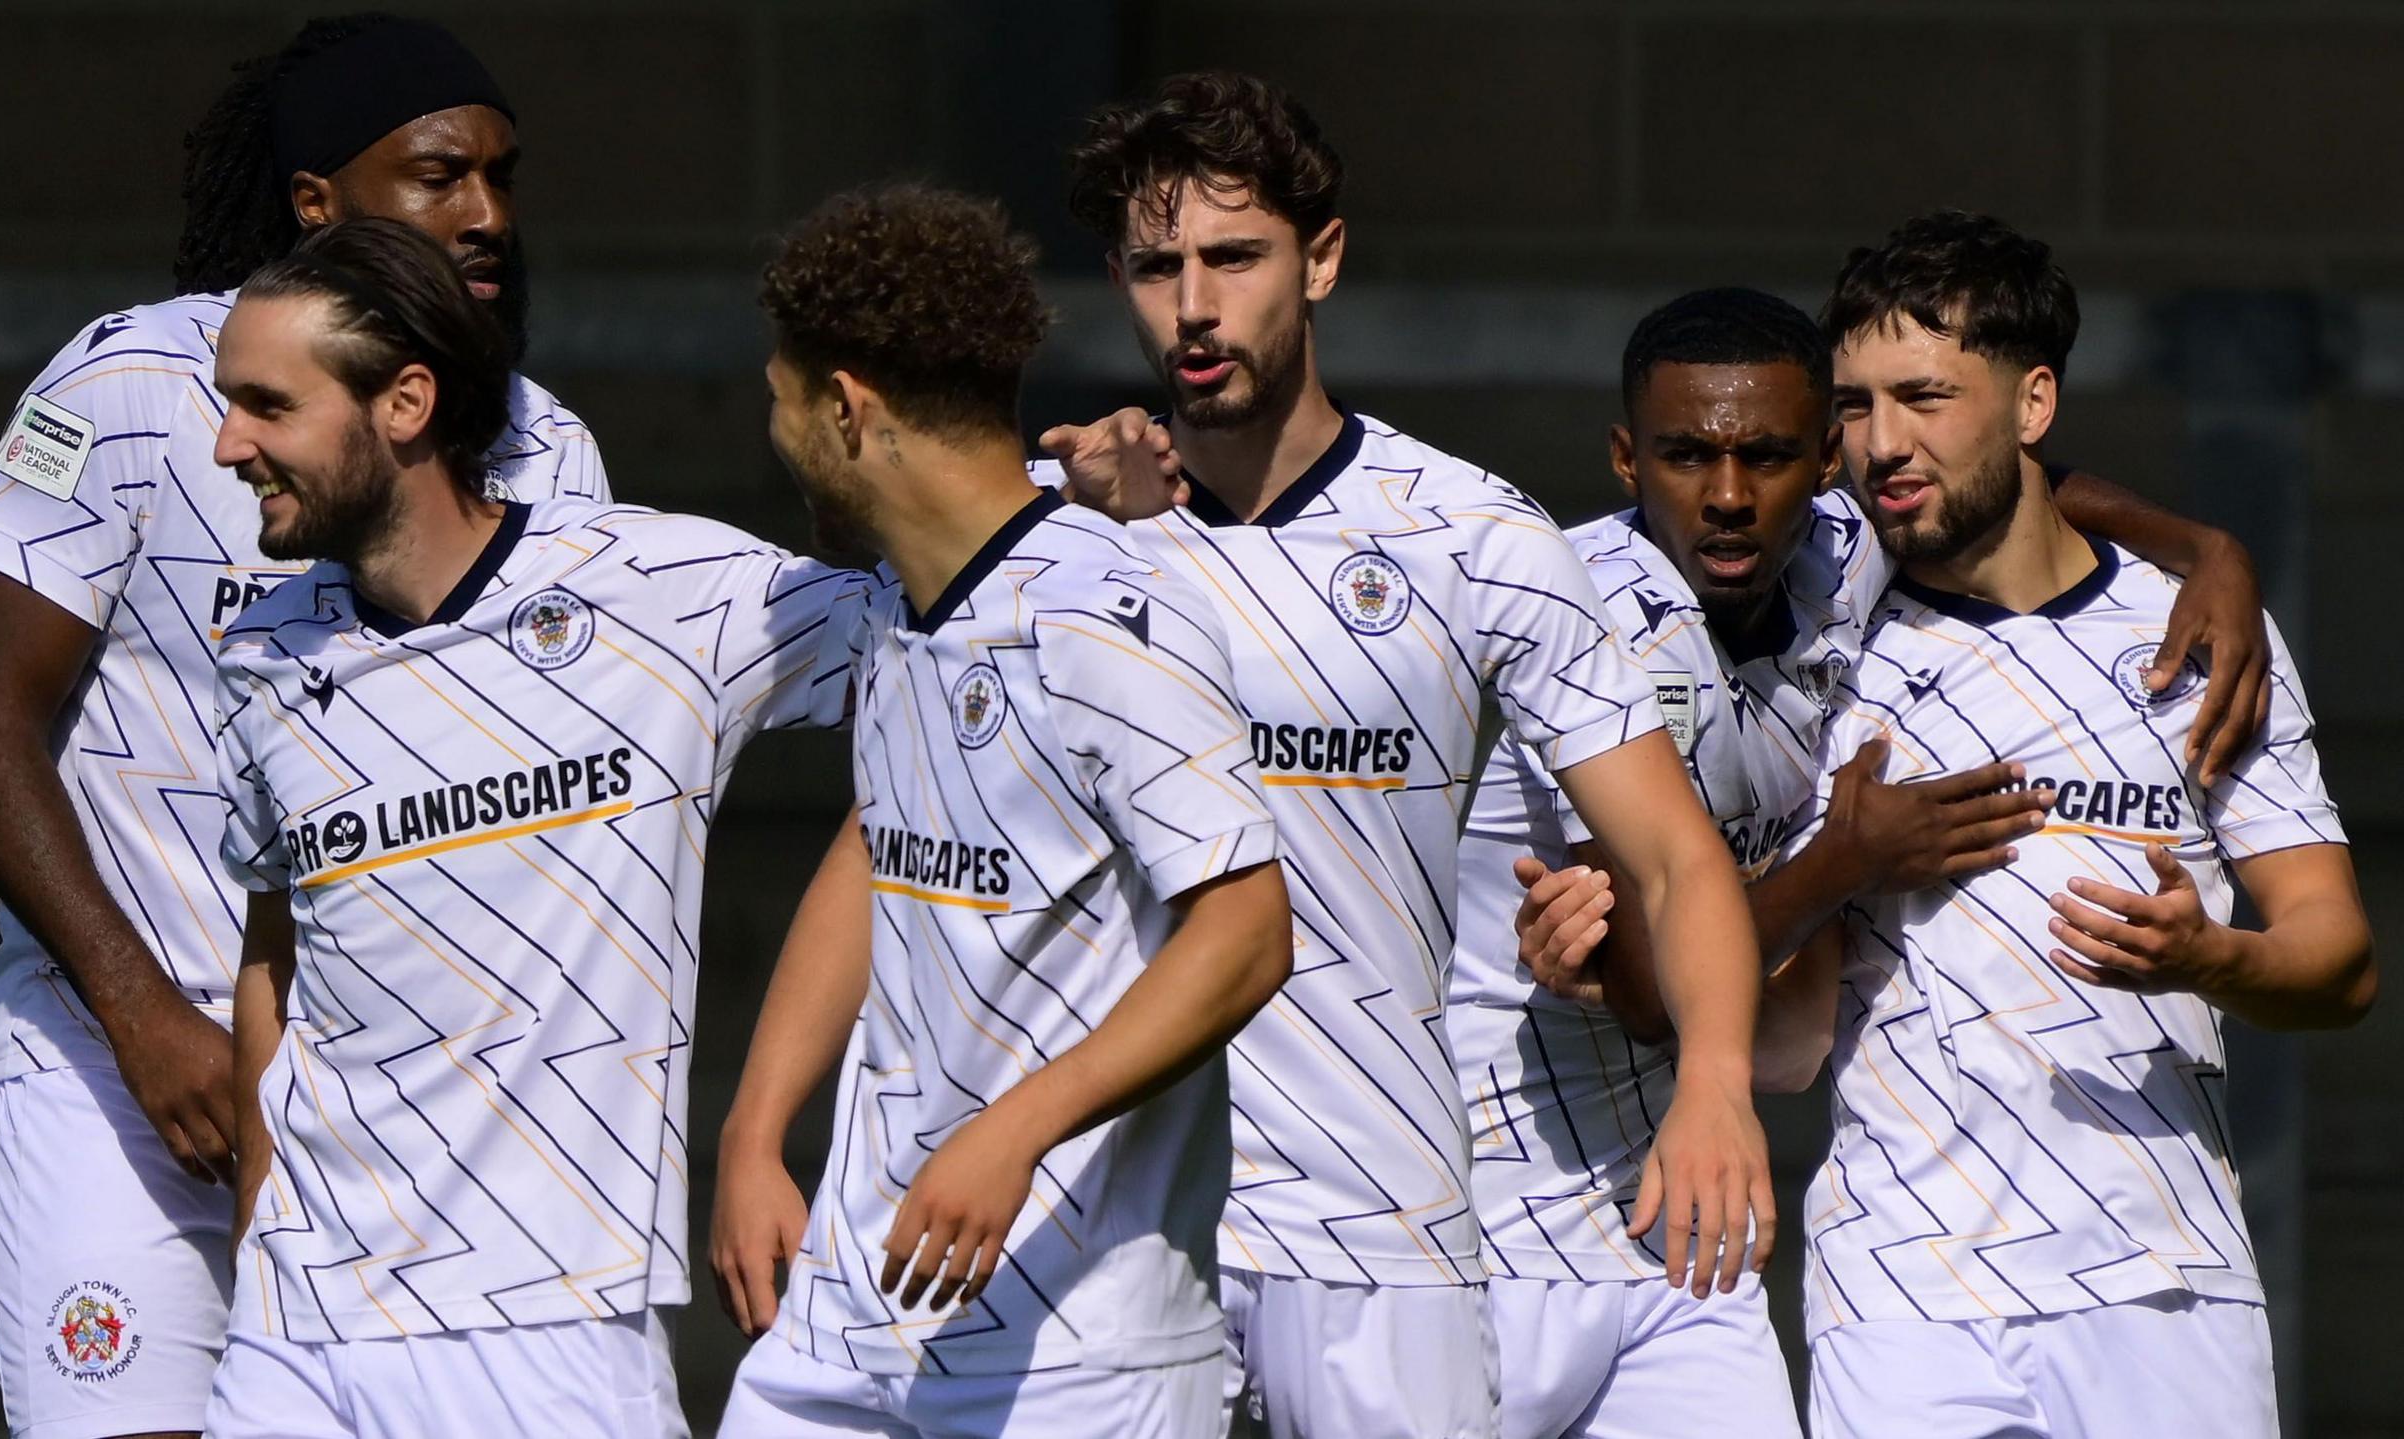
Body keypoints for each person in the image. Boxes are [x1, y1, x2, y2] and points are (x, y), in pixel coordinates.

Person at [1035, 72, 1768, 1437]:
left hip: (1383, 1220)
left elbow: (1673, 851)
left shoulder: (1473, 535)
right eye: (1154, 266)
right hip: (1120, 1214)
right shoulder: (1052, 536)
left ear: (1320, 258)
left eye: (1233, 257)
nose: (1193, 305)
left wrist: (1718, 1082)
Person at [0, 17, 604, 1438]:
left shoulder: (547, 446)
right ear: (316, 202)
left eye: (500, 174)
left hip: (397, 1112)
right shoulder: (121, 386)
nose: (485, 213)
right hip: (121, 1064)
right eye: (437, 174)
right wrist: (140, 1011)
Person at [1474, 287, 2273, 1439]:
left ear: (1827, 461)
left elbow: (2021, 489)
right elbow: (1654, 994)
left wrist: (2204, 547)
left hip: (1686, 1224)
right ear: (1623, 458)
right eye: (1687, 456)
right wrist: (1847, 860)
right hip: (1494, 1200)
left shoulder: (1838, 549)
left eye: (1767, 455)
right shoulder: (1579, 615)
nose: (1731, 495)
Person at [203, 216, 859, 1437]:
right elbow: (273, 948)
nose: (231, 442)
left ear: (403, 402)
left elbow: (946, 614)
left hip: (551, 1323)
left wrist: (1089, 494)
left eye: (266, 406)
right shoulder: (260, 653)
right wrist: (257, 1223)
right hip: (294, 1328)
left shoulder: (660, 594)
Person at [715, 183, 1298, 1439]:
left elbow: (1247, 930)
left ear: (843, 407)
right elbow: (883, 841)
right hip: (852, 1299)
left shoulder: (1101, 614)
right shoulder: (891, 597)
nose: (774, 433)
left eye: (779, 399)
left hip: (1079, 1347)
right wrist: (757, 1129)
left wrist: (1011, 1132)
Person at [1792, 211, 2373, 1438]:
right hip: (1899, 1287)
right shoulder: (1810, 633)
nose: (1879, 443)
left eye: (1923, 396)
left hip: (2165, 1288)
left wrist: (2210, 958)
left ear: (2032, 401)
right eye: (1851, 405)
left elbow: (2339, 958)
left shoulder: (2197, 641)